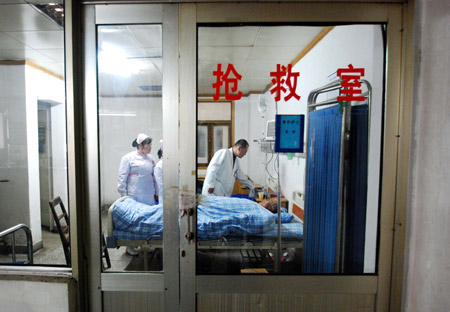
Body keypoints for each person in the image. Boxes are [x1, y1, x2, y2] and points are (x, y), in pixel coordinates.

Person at [117, 133, 159, 255]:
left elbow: (155, 178)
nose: (150, 147)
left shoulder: (151, 159)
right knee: (134, 221)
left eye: (151, 145)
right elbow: (122, 178)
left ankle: (147, 244)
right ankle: (131, 246)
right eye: (148, 145)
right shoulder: (128, 158)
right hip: (133, 196)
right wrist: (124, 196)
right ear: (140, 145)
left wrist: (156, 193)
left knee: (148, 220)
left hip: (148, 195)